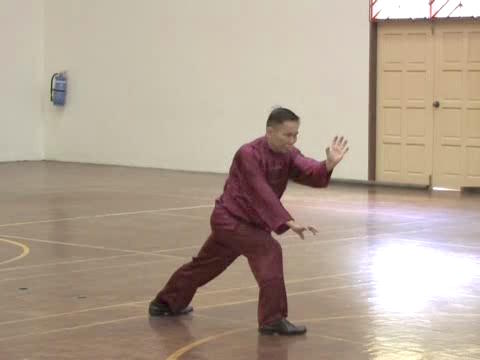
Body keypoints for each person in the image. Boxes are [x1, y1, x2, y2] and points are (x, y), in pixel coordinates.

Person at [148, 107, 349, 335]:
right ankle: (272, 320)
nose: (292, 140)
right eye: (287, 135)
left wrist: (328, 164)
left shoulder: (289, 154)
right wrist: (288, 221)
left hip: (247, 225)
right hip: (230, 220)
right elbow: (260, 191)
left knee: (205, 265)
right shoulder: (248, 154)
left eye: (296, 135)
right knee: (270, 252)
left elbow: (308, 170)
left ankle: (165, 303)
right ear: (270, 132)